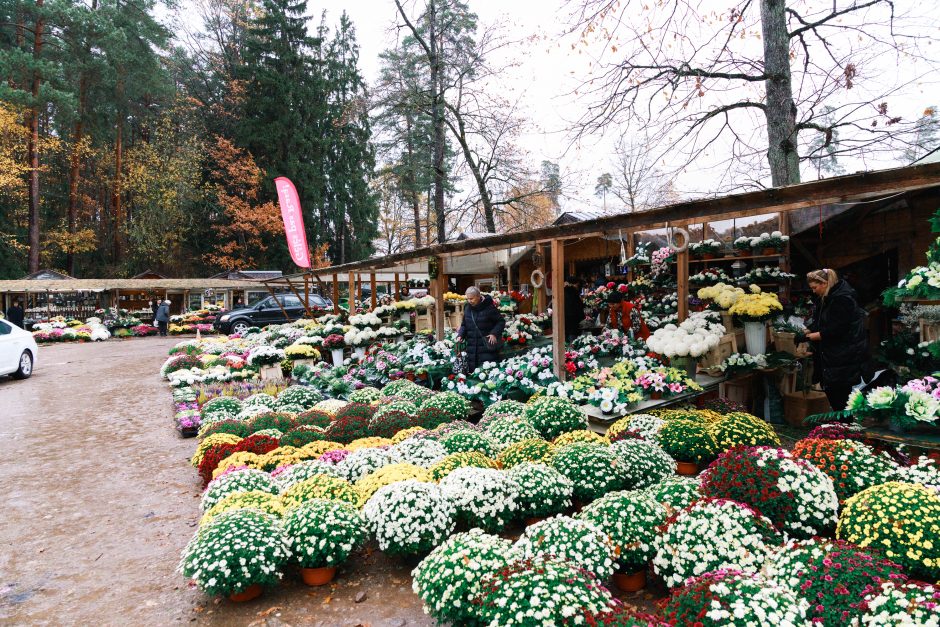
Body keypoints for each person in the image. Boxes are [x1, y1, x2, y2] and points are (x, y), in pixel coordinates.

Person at [805, 268, 868, 412]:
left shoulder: (842, 299)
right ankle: (842, 428)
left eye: (815, 287)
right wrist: (808, 330)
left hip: (842, 356)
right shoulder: (826, 299)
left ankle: (847, 429)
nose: (813, 291)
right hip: (832, 356)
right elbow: (822, 323)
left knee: (841, 397)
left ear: (825, 283)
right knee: (835, 396)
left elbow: (836, 330)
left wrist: (809, 337)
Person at [455, 286, 506, 373]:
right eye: (468, 298)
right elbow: (464, 324)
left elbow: (501, 322)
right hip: (471, 348)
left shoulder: (489, 308)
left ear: (478, 296)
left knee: (486, 373)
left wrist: (494, 333)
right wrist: (460, 335)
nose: (469, 301)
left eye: (472, 298)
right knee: (472, 374)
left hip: (487, 347)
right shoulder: (467, 308)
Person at [563, 276, 585, 341]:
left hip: (564, 316)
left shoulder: (563, 291)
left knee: (567, 333)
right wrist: (582, 316)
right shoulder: (574, 292)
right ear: (575, 284)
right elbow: (579, 305)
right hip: (573, 317)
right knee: (573, 334)